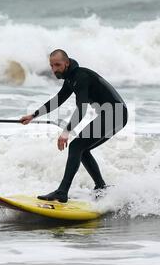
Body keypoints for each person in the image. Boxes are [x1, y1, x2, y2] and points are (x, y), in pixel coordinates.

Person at [20, 49, 128, 203]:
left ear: (67, 63)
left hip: (115, 114)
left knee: (76, 146)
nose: (54, 69)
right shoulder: (71, 78)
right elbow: (58, 100)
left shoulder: (80, 77)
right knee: (81, 149)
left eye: (57, 65)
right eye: (51, 66)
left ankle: (62, 192)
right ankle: (101, 187)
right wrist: (33, 115)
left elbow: (82, 107)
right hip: (114, 114)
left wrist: (66, 132)